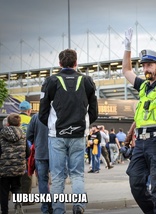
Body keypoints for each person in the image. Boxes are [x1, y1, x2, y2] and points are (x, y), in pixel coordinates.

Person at [122, 28, 156, 214]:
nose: (145, 69)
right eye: (144, 66)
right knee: (136, 183)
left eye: (149, 66)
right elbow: (126, 70)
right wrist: (127, 47)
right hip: (141, 143)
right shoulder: (144, 87)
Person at [39, 48, 98, 214]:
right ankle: (79, 205)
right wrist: (83, 124)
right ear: (76, 63)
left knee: (57, 176)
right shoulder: (87, 81)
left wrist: (53, 126)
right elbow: (94, 111)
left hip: (56, 135)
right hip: (78, 135)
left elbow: (42, 113)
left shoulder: (50, 81)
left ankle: (58, 210)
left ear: (59, 63)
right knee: (77, 174)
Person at [0, 113, 30, 214]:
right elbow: (28, 152)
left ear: (7, 123)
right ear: (19, 123)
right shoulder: (22, 134)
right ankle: (18, 204)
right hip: (18, 167)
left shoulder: (1, 133)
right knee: (17, 187)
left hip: (4, 168)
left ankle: (5, 211)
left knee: (4, 191)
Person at [26, 112, 53, 214]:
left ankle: (46, 209)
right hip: (57, 152)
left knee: (42, 181)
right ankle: (57, 207)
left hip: (41, 152)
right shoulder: (59, 113)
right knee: (58, 180)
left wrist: (37, 142)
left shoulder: (36, 117)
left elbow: (29, 135)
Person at [18, 101, 34, 206]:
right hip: (28, 150)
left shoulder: (13, 118)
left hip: (13, 152)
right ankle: (26, 199)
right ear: (29, 110)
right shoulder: (31, 120)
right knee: (27, 175)